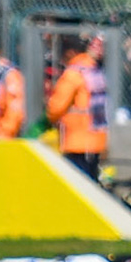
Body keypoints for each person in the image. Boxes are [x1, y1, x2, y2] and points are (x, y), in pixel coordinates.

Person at [47, 35, 109, 179]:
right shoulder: (96, 72)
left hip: (76, 141)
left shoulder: (74, 73)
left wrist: (52, 118)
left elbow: (55, 108)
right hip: (96, 139)